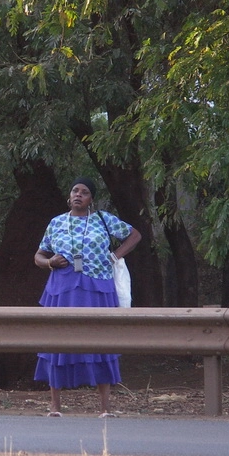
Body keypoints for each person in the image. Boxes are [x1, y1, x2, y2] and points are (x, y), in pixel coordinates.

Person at [33, 177, 142, 418]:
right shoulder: (56, 223)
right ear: (69, 196)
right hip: (62, 288)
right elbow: (38, 255)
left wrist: (115, 256)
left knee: (100, 339)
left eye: (84, 192)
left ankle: (104, 408)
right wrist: (50, 262)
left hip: (98, 286)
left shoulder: (103, 220)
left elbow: (135, 235)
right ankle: (55, 406)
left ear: (91, 199)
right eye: (75, 191)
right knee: (57, 340)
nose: (78, 195)